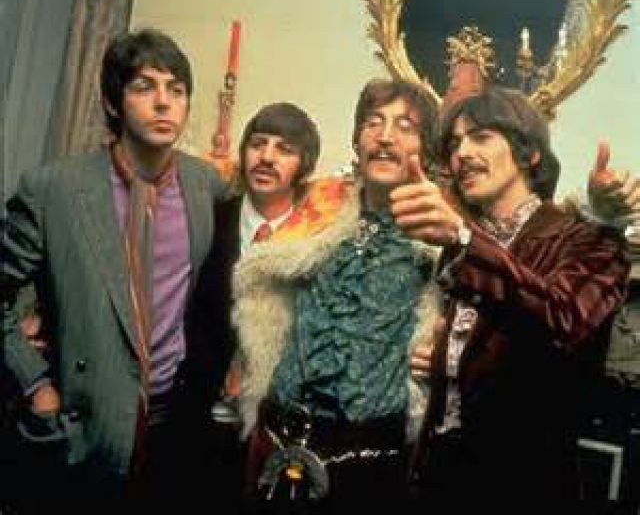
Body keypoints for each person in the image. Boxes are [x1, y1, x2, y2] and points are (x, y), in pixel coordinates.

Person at [1, 28, 228, 511]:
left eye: (176, 90)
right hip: (84, 422)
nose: (164, 103)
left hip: (173, 420)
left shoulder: (206, 185)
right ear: (112, 101)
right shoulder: (54, 190)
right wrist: (36, 384)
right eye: (144, 87)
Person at [390, 86, 630, 512]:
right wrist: (444, 357)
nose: (462, 153)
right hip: (439, 480)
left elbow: (565, 319)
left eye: (481, 136)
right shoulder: (459, 244)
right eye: (455, 144)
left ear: (529, 154)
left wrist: (465, 241)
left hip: (523, 486)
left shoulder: (587, 239)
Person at [232, 79, 442, 512]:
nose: (385, 137)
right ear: (357, 140)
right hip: (275, 438)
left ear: (427, 149)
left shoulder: (439, 234)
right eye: (373, 123)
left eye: (405, 127)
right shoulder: (316, 207)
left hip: (368, 458)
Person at [200, 102, 322, 506]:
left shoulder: (315, 242)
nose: (266, 157)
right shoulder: (207, 220)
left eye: (284, 149)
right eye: (258, 143)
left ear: (304, 165)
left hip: (272, 435)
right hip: (198, 419)